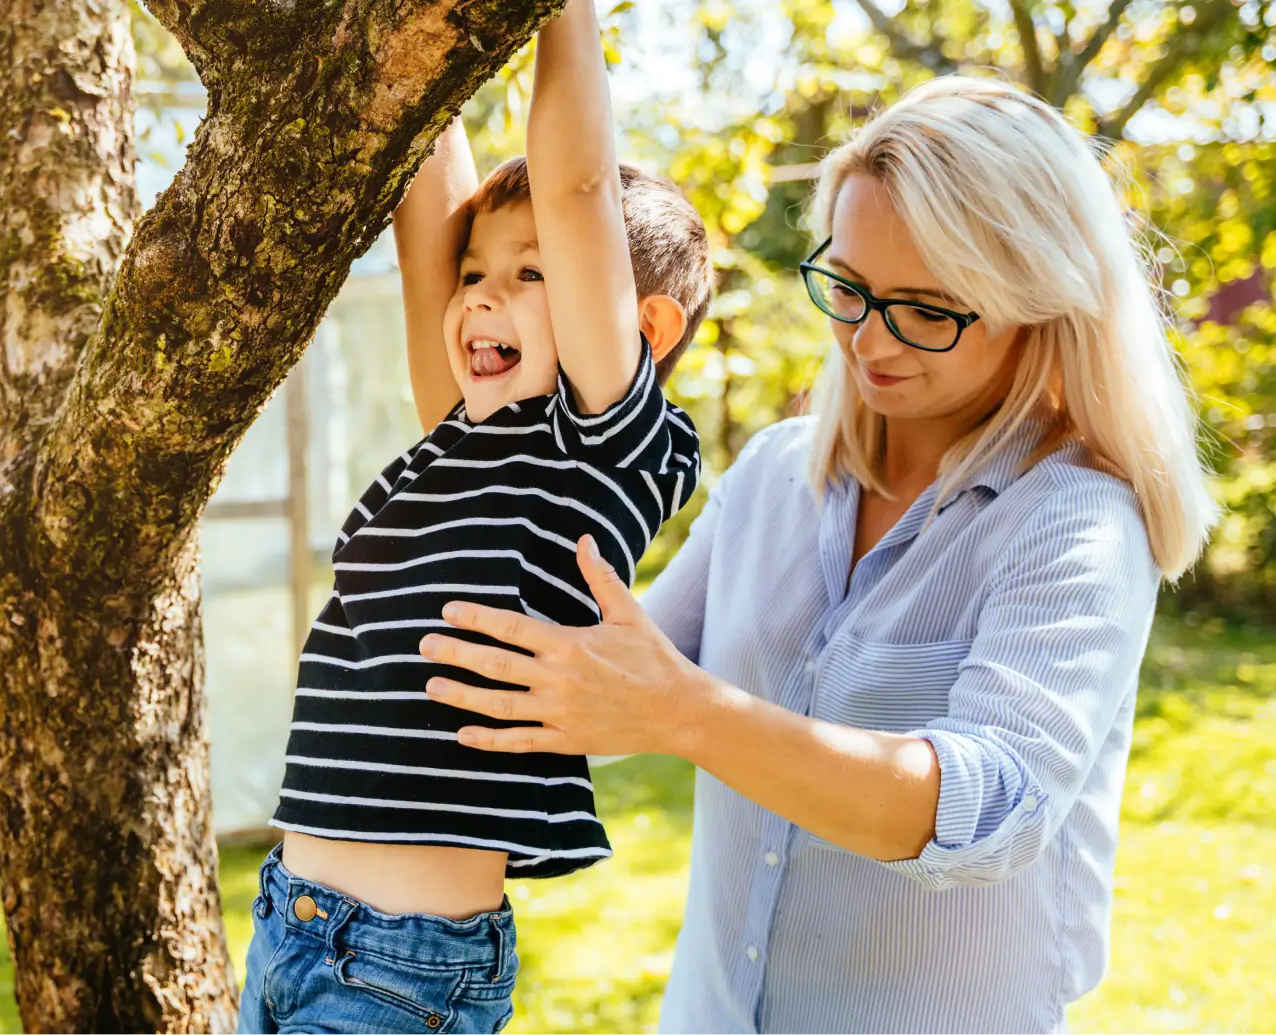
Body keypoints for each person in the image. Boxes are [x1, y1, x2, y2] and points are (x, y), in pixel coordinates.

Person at [418, 76, 1217, 1034]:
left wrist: (691, 714)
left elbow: (996, 808)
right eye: (847, 287)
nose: (866, 338)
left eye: (927, 308)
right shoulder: (774, 476)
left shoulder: (1074, 519)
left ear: (1037, 298)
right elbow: (605, 691)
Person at [235, 1, 713, 1031]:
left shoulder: (598, 447)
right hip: (288, 922)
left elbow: (579, 186)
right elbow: (425, 241)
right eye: (476, 275)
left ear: (642, 326)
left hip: (398, 969)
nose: (479, 299)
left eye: (530, 273)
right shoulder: (458, 430)